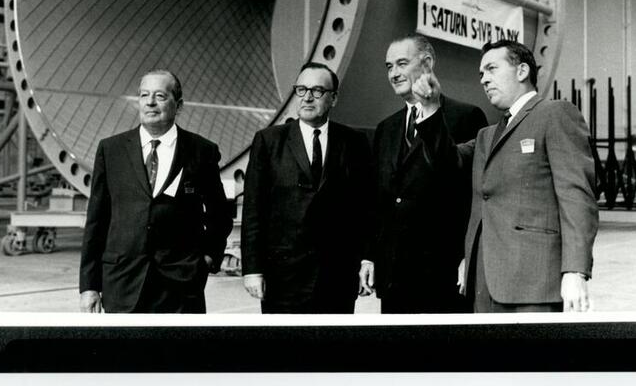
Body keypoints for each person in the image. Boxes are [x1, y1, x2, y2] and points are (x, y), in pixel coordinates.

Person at [412, 40, 598, 313]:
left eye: (491, 69)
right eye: (481, 74)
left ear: (522, 71)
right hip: (483, 282)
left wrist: (575, 271)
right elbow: (447, 163)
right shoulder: (486, 136)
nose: (484, 79)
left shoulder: (554, 114)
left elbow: (577, 197)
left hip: (534, 284)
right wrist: (430, 109)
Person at [78, 70, 232, 313]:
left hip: (181, 286)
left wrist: (207, 259)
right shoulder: (111, 150)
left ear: (178, 105)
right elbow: (96, 220)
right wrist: (89, 286)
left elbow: (220, 214)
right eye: (144, 95)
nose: (150, 102)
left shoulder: (201, 151)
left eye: (160, 96)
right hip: (122, 283)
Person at [363, 34, 487, 313]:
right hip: (394, 276)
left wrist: (468, 255)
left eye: (401, 63)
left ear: (427, 63)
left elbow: (472, 195)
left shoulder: (466, 117)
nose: (393, 73)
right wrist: (369, 256)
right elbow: (378, 200)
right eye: (389, 66)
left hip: (443, 272)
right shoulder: (385, 129)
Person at [240, 62, 373, 313]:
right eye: (301, 90)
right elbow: (253, 210)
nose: (307, 97)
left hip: (337, 275)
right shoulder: (269, 140)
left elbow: (366, 207)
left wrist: (367, 258)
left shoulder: (355, 142)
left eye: (317, 91)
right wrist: (253, 269)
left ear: (334, 98)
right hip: (282, 277)